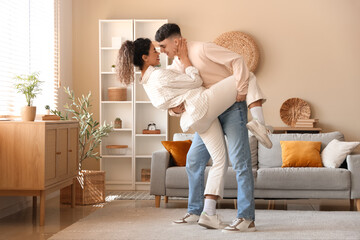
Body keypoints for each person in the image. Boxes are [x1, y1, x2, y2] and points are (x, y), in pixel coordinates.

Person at [117, 38, 245, 229]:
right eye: (154, 50)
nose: (158, 52)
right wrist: (185, 58)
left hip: (195, 119)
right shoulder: (159, 76)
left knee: (220, 160)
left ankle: (209, 213)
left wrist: (174, 110)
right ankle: (258, 120)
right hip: (203, 105)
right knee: (244, 76)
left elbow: (169, 103)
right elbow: (196, 81)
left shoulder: (147, 85)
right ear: (144, 58)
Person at [155, 23, 270, 232]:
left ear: (176, 41)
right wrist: (175, 110)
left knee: (240, 162)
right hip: (207, 114)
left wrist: (242, 91)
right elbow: (172, 96)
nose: (161, 51)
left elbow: (237, 60)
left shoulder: (202, 49)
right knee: (193, 160)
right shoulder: (175, 66)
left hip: (232, 108)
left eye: (163, 46)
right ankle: (196, 211)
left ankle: (246, 218)